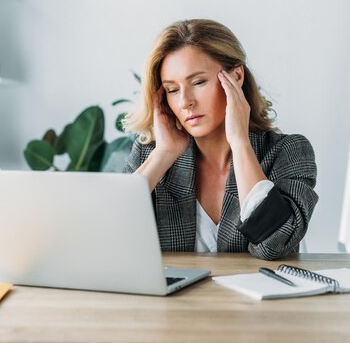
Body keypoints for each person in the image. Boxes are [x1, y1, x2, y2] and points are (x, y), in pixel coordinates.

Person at [122, 19, 318, 260]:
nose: (185, 102)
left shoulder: (288, 151)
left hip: (252, 298)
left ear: (236, 77)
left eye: (198, 82)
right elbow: (107, 239)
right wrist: (163, 155)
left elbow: (274, 243)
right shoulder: (149, 156)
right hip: (172, 298)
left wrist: (240, 143)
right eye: (172, 90)